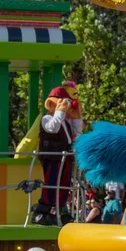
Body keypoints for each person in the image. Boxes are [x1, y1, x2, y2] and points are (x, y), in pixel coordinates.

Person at [31, 86, 83, 226]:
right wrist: (59, 111)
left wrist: (76, 116)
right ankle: (44, 209)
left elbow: (77, 133)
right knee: (52, 182)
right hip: (52, 157)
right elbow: (52, 128)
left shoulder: (64, 122)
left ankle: (59, 209)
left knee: (63, 183)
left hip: (64, 158)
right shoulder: (47, 118)